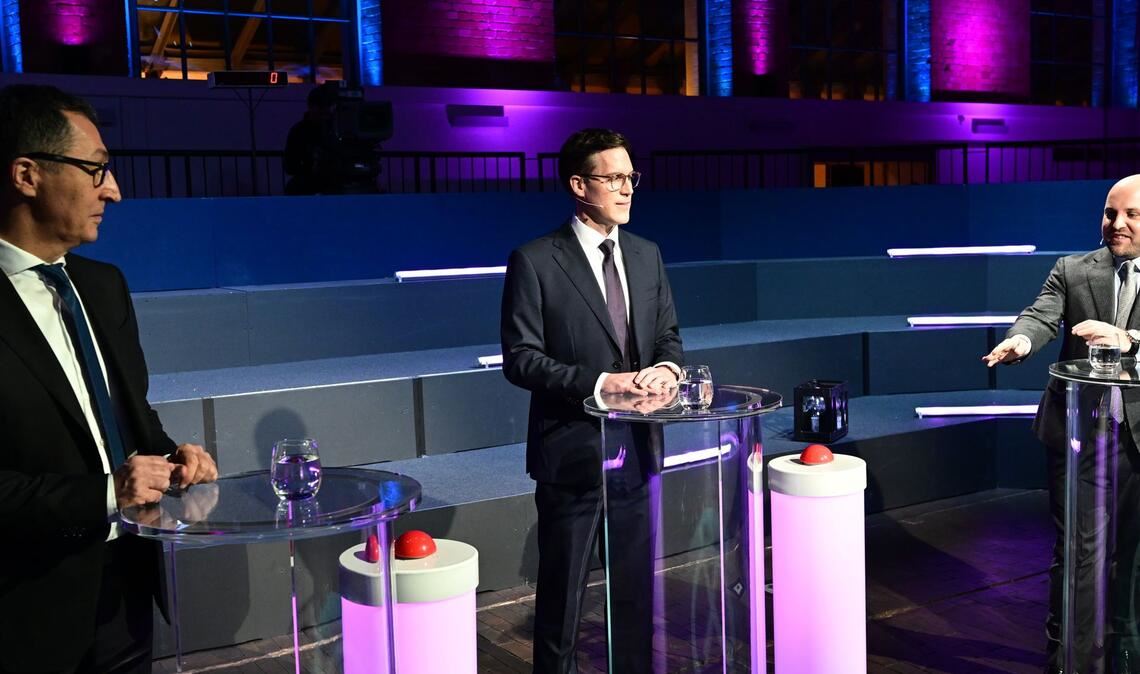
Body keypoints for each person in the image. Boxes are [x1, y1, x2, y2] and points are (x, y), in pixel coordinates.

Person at [0, 84, 218, 674]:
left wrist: (172, 458)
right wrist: (106, 493)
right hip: (25, 610)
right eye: (96, 170)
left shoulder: (104, 285)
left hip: (126, 589)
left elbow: (132, 420)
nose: (114, 191)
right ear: (27, 174)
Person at [501, 128, 683, 674]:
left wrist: (667, 370)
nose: (627, 189)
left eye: (631, 177)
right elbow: (521, 359)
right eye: (614, 178)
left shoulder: (647, 255)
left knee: (633, 598)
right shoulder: (535, 261)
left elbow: (669, 336)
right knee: (563, 601)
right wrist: (601, 384)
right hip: (573, 453)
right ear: (580, 185)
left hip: (637, 449)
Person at [983, 174, 1140, 674]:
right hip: (1083, 438)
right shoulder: (1072, 269)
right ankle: (1070, 658)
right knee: (1080, 553)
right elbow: (1041, 315)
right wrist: (1022, 342)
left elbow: (1126, 339)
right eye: (1110, 213)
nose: (1117, 224)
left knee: (1134, 557)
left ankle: (1125, 648)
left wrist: (1127, 339)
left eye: (1132, 215)